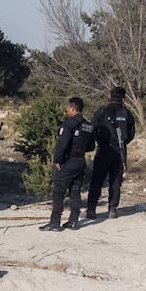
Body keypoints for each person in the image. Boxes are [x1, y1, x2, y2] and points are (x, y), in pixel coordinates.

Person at [40, 97, 95, 232]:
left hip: (68, 162)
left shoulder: (68, 125)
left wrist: (57, 161)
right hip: (80, 162)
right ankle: (73, 221)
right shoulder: (88, 126)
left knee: (59, 192)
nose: (67, 111)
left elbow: (61, 145)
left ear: (72, 108)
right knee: (75, 191)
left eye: (67, 108)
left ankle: (55, 222)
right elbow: (91, 146)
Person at [86, 87, 135, 220]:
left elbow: (92, 127)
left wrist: (96, 141)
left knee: (97, 180)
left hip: (103, 149)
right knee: (115, 181)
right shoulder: (127, 113)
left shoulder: (102, 111)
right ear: (123, 99)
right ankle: (112, 209)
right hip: (119, 151)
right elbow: (131, 134)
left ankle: (91, 209)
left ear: (110, 97)